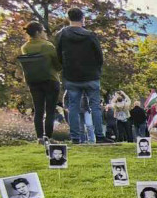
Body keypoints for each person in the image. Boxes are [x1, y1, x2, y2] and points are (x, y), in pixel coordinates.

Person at [54, 8, 104, 145]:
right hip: (91, 76)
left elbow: (58, 55)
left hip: (71, 76)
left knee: (74, 107)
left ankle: (75, 137)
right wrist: (97, 70)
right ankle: (99, 136)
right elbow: (99, 56)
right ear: (82, 18)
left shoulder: (61, 35)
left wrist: (65, 67)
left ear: (68, 18)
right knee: (95, 107)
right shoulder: (90, 35)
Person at [18, 21, 61, 143]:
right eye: (43, 31)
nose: (44, 33)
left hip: (33, 81)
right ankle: (48, 136)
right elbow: (58, 65)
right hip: (50, 80)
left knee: (38, 110)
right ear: (38, 32)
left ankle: (39, 137)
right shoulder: (47, 46)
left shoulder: (25, 47)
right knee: (50, 110)